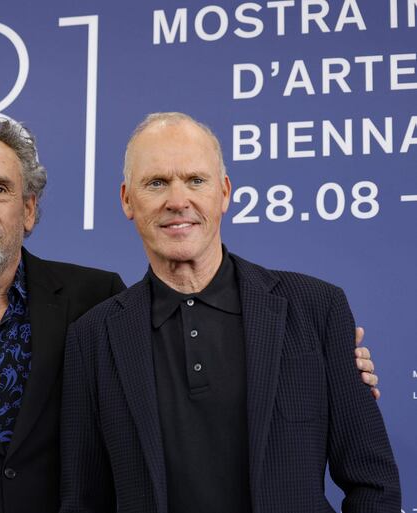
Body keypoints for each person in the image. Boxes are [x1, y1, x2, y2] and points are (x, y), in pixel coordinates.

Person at [0, 109, 379, 513]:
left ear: (30, 209)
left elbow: (369, 477)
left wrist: (335, 369)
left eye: (0, 189)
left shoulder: (94, 303)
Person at [60, 112, 400, 513]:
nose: (177, 200)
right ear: (127, 200)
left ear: (223, 193)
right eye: (156, 183)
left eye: (195, 180)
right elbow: (83, 502)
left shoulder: (316, 308)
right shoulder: (93, 338)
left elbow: (374, 485)